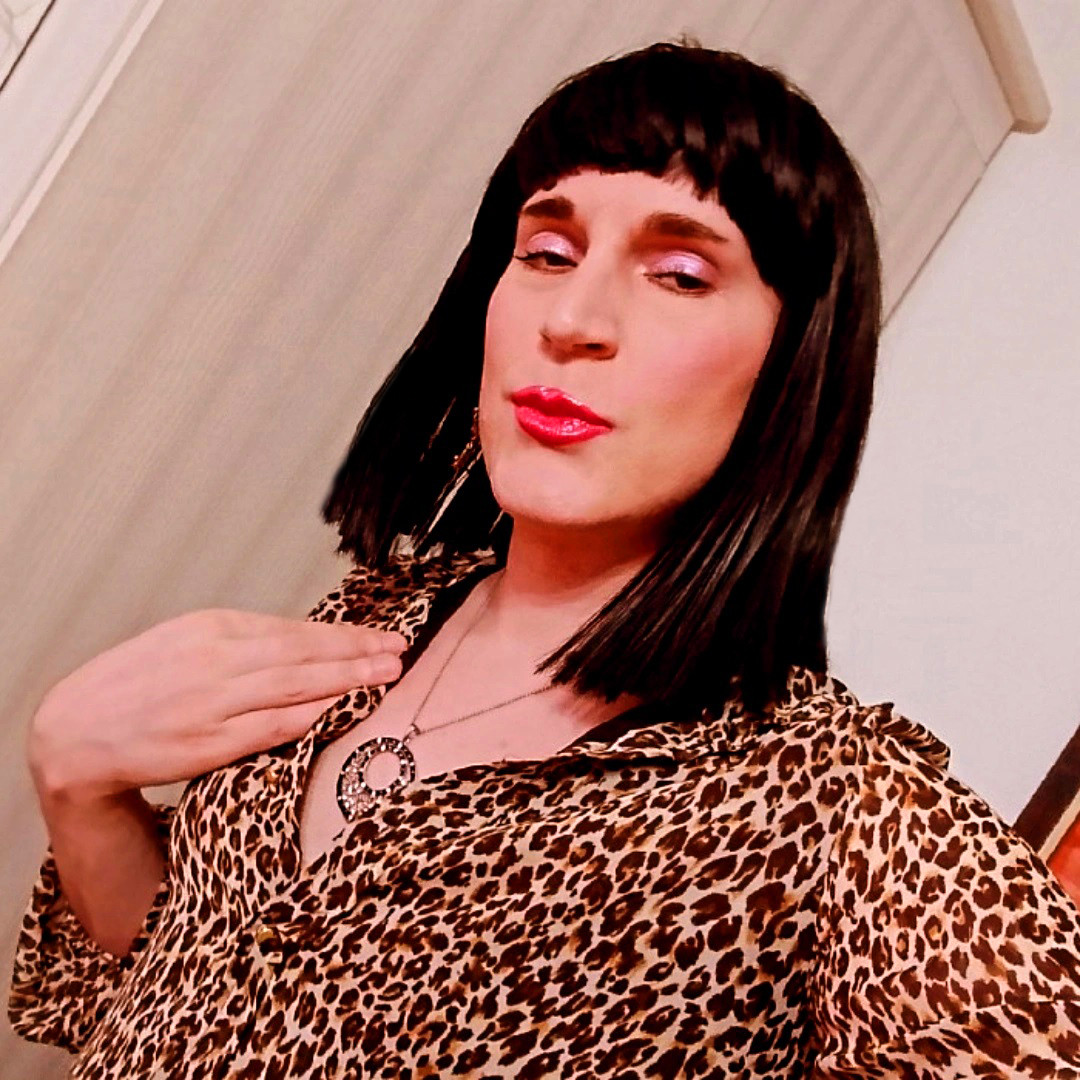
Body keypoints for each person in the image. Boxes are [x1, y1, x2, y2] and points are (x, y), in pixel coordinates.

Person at [10, 39, 1080, 1079]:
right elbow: (180, 988)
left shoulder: (833, 814)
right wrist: (79, 786)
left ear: (792, 368)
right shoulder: (373, 617)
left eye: (680, 274)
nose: (572, 319)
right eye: (547, 254)